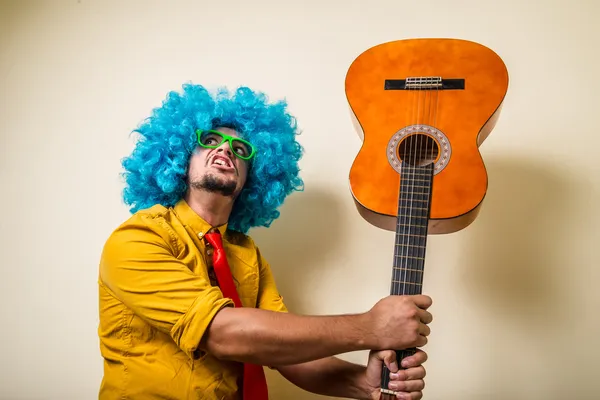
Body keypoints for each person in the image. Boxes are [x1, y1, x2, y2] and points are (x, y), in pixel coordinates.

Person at [97, 83, 433, 400]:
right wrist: (370, 327)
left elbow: (287, 355)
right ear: (180, 156)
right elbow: (224, 333)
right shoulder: (138, 238)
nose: (225, 149)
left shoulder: (245, 255)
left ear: (254, 176)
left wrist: (364, 383)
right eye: (210, 139)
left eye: (241, 149)